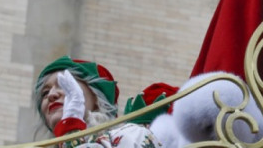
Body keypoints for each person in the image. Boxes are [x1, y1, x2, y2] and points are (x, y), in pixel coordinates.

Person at [34, 56, 168, 147]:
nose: (51, 95)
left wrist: (71, 131)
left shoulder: (131, 135)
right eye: (45, 93)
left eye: (64, 85)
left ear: (97, 98)